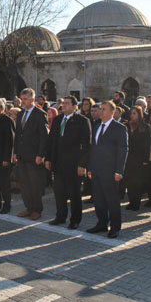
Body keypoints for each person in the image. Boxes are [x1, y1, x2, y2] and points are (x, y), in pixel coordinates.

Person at [45, 96, 91, 229]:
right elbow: (51, 141)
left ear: (75, 107)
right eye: (63, 103)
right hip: (58, 163)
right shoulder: (58, 119)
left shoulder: (82, 121)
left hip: (74, 164)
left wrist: (82, 164)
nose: (63, 105)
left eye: (67, 103)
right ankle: (60, 216)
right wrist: (48, 158)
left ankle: (75, 220)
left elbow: (86, 145)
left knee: (74, 193)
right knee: (59, 192)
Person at [87, 101, 128, 239]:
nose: (101, 111)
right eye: (100, 109)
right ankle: (101, 223)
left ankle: (115, 227)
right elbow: (93, 149)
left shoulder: (119, 128)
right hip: (97, 169)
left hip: (110, 171)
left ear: (112, 112)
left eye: (104, 109)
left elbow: (123, 150)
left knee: (112, 200)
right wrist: (91, 168)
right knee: (98, 200)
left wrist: (119, 171)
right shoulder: (97, 126)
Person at [13, 88, 49, 220]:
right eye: (22, 99)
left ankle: (37, 210)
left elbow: (43, 137)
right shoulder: (21, 113)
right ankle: (28, 207)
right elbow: (18, 135)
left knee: (34, 184)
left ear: (32, 99)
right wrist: (15, 152)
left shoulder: (40, 114)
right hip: (22, 155)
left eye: (25, 99)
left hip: (34, 156)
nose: (23, 102)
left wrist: (40, 155)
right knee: (24, 183)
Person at [123, 106, 151, 211]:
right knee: (129, 181)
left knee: (137, 182)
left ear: (139, 114)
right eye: (131, 113)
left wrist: (145, 159)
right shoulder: (125, 126)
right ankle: (131, 201)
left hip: (139, 158)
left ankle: (136, 202)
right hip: (128, 157)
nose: (132, 115)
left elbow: (147, 145)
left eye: (134, 113)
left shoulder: (145, 127)